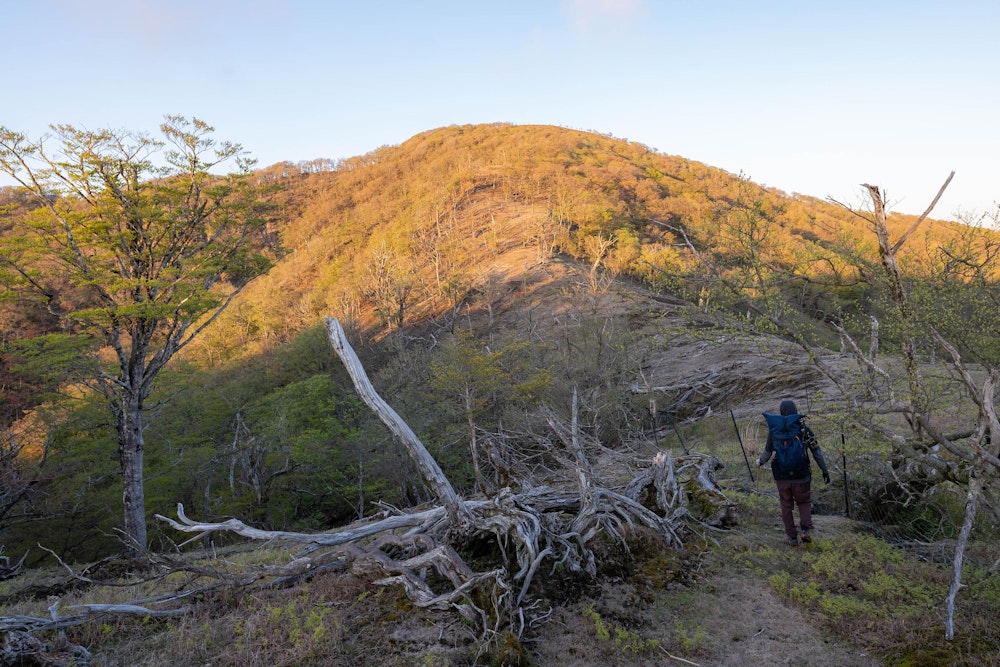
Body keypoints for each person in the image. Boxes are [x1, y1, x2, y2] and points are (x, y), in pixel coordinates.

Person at [758, 399, 830, 546]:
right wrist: (824, 470)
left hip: (782, 476)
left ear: (781, 412)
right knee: (804, 502)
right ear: (796, 410)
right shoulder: (804, 430)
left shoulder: (774, 432)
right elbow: (817, 452)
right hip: (802, 474)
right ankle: (804, 531)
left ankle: (791, 538)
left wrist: (760, 462)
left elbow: (767, 452)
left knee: (786, 505)